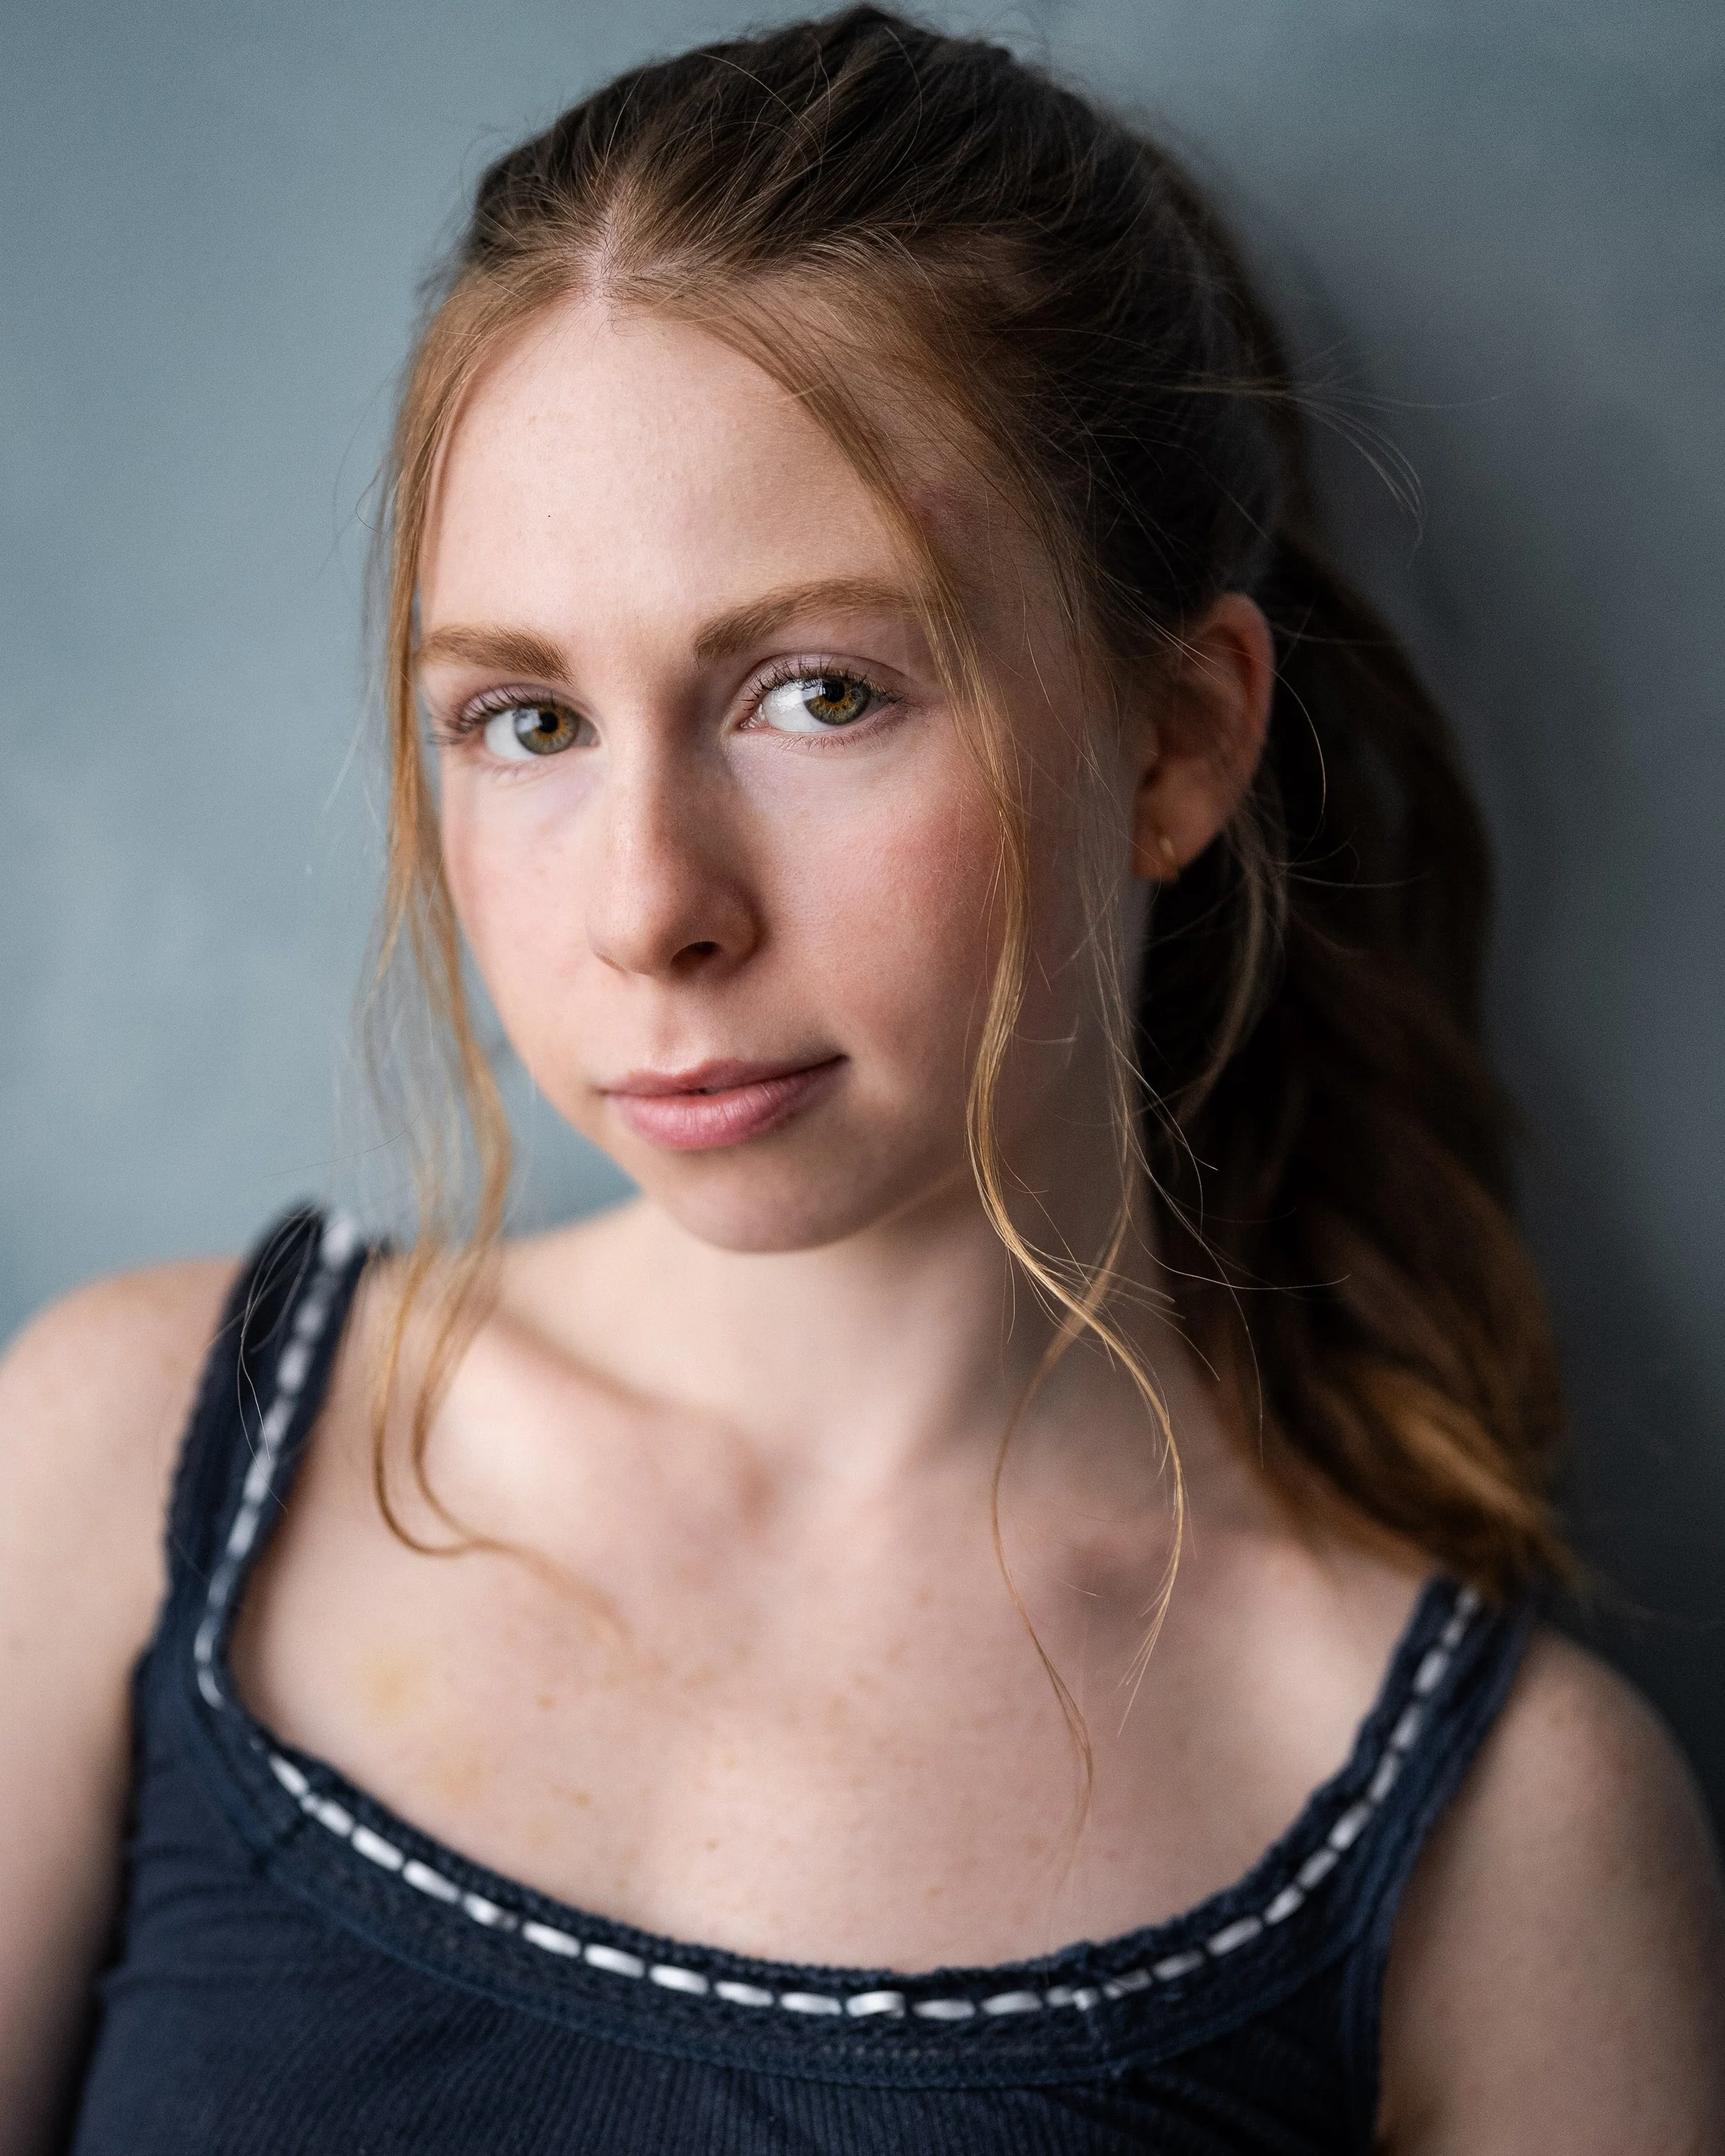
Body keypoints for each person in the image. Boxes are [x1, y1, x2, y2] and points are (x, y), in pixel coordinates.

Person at [2, 9, 1720, 2150]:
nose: (650, 905)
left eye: (821, 691)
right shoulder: (127, 1464)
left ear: (1175, 740)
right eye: (524, 719)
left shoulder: (1498, 1840)